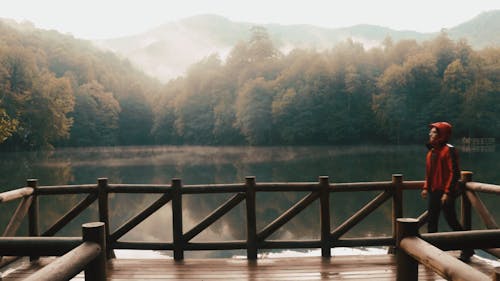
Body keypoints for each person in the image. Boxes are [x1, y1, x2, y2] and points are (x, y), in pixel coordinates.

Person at [421, 121, 474, 262]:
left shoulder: (449, 150)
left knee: (452, 221)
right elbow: (429, 173)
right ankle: (431, 252)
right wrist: (426, 188)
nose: (430, 134)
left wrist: (447, 192)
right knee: (431, 222)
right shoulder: (431, 152)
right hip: (434, 191)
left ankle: (468, 248)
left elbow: (455, 173)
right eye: (430, 132)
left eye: (433, 132)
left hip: (446, 193)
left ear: (441, 135)